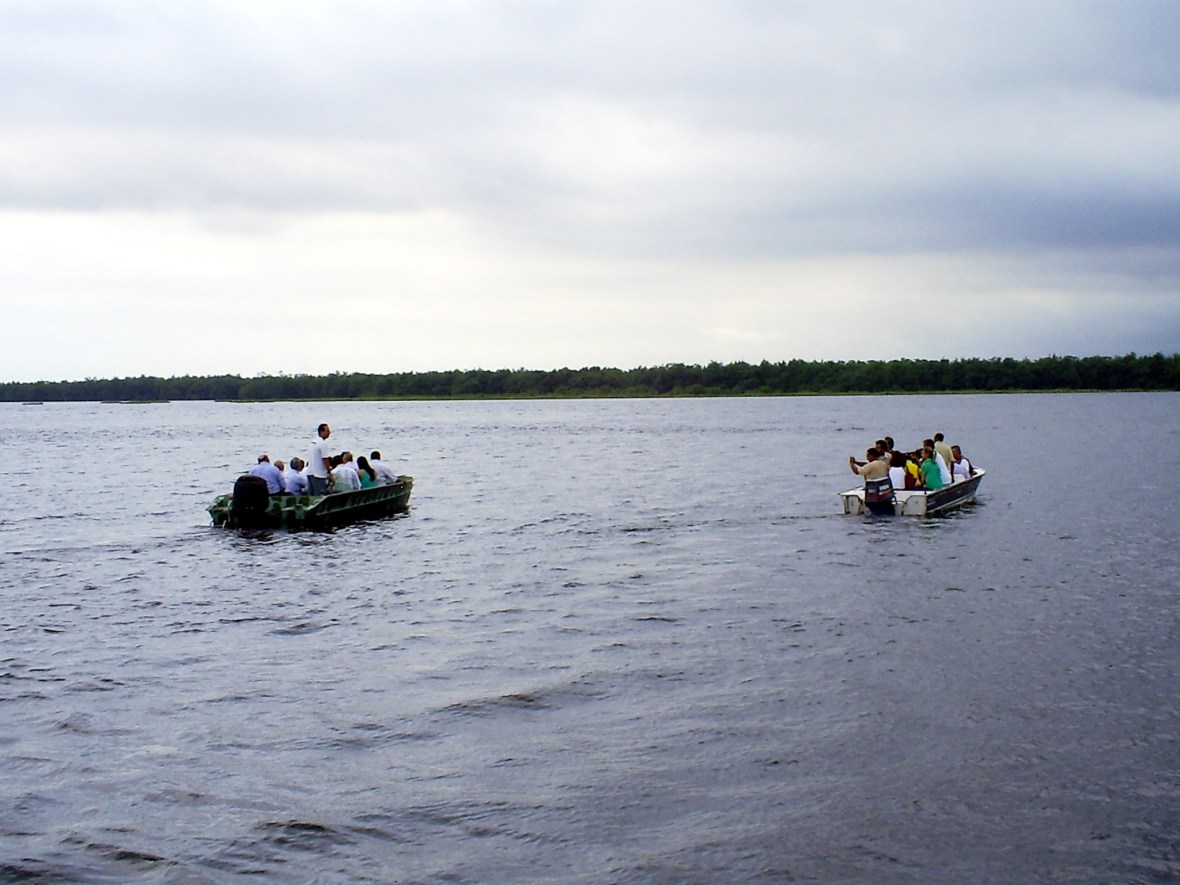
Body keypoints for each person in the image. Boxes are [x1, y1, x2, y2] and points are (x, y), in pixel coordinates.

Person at [849, 447, 894, 515]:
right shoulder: (883, 463)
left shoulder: (871, 465)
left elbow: (857, 471)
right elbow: (865, 465)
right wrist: (856, 462)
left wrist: (852, 463)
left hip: (874, 491)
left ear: (872, 456)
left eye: (868, 456)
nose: (867, 458)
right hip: (884, 492)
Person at [307, 423, 334, 495]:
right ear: (322, 432)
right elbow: (325, 459)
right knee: (320, 495)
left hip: (310, 472)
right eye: (327, 431)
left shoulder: (312, 442)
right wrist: (330, 473)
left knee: (311, 495)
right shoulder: (322, 443)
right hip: (319, 475)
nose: (329, 433)